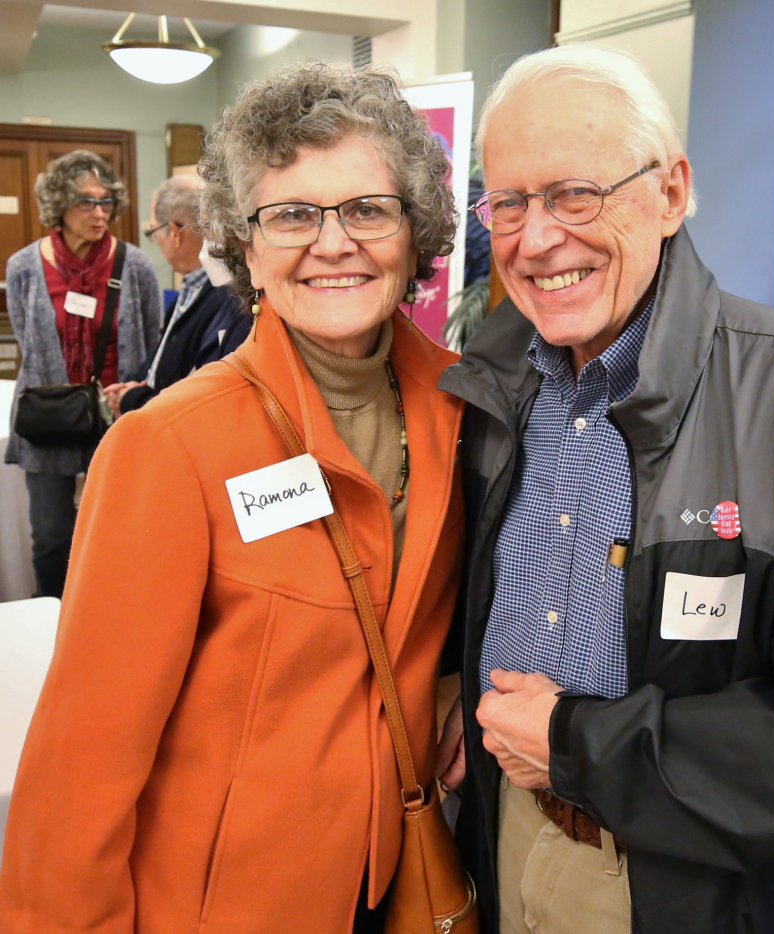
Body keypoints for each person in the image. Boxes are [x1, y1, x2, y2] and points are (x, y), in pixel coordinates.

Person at [435, 46, 774, 934]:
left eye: (574, 194)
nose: (536, 237)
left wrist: (580, 748)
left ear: (670, 193)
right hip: (510, 844)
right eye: (507, 202)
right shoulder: (489, 385)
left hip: (712, 892)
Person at [0, 62, 464, 934]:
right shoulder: (168, 446)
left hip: (395, 877)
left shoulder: (464, 408)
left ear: (415, 232)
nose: (334, 243)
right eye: (291, 215)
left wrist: (457, 695)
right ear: (246, 246)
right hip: (227, 900)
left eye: (367, 208)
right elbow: (83, 759)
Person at [3, 150, 161, 598]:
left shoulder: (136, 266)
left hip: (115, 418)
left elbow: (150, 345)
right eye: (85, 202)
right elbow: (29, 344)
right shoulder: (23, 267)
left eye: (106, 201)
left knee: (119, 534)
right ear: (58, 206)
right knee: (51, 537)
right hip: (49, 415)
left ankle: (111, 619)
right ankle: (52, 620)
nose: (99, 213)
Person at [103, 175, 251, 417]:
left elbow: (199, 399)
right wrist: (134, 385)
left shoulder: (231, 298)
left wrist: (132, 399)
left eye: (154, 232)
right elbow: (161, 363)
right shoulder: (191, 291)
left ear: (174, 232)